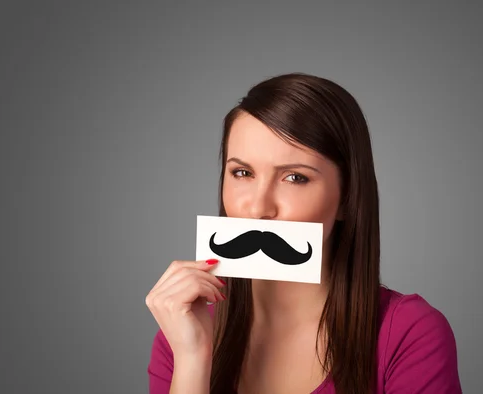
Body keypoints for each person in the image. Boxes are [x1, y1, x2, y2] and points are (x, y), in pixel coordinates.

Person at [145, 72, 462, 393]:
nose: (258, 208)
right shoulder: (183, 333)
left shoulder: (409, 333)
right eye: (242, 172)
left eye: (295, 177)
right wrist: (193, 359)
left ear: (347, 199)